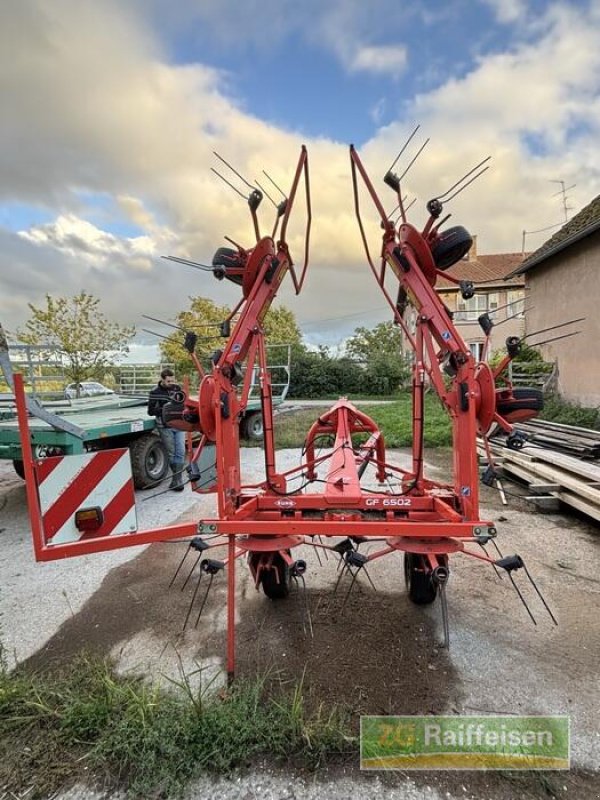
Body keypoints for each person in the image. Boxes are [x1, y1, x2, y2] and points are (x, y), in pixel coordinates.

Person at [147, 368, 186, 491]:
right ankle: (177, 480)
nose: (171, 383)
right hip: (164, 425)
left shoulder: (176, 388)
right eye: (168, 381)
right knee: (172, 453)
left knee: (181, 451)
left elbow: (182, 403)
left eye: (172, 380)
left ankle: (176, 480)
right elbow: (150, 411)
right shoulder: (155, 392)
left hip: (178, 424)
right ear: (162, 380)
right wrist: (165, 408)